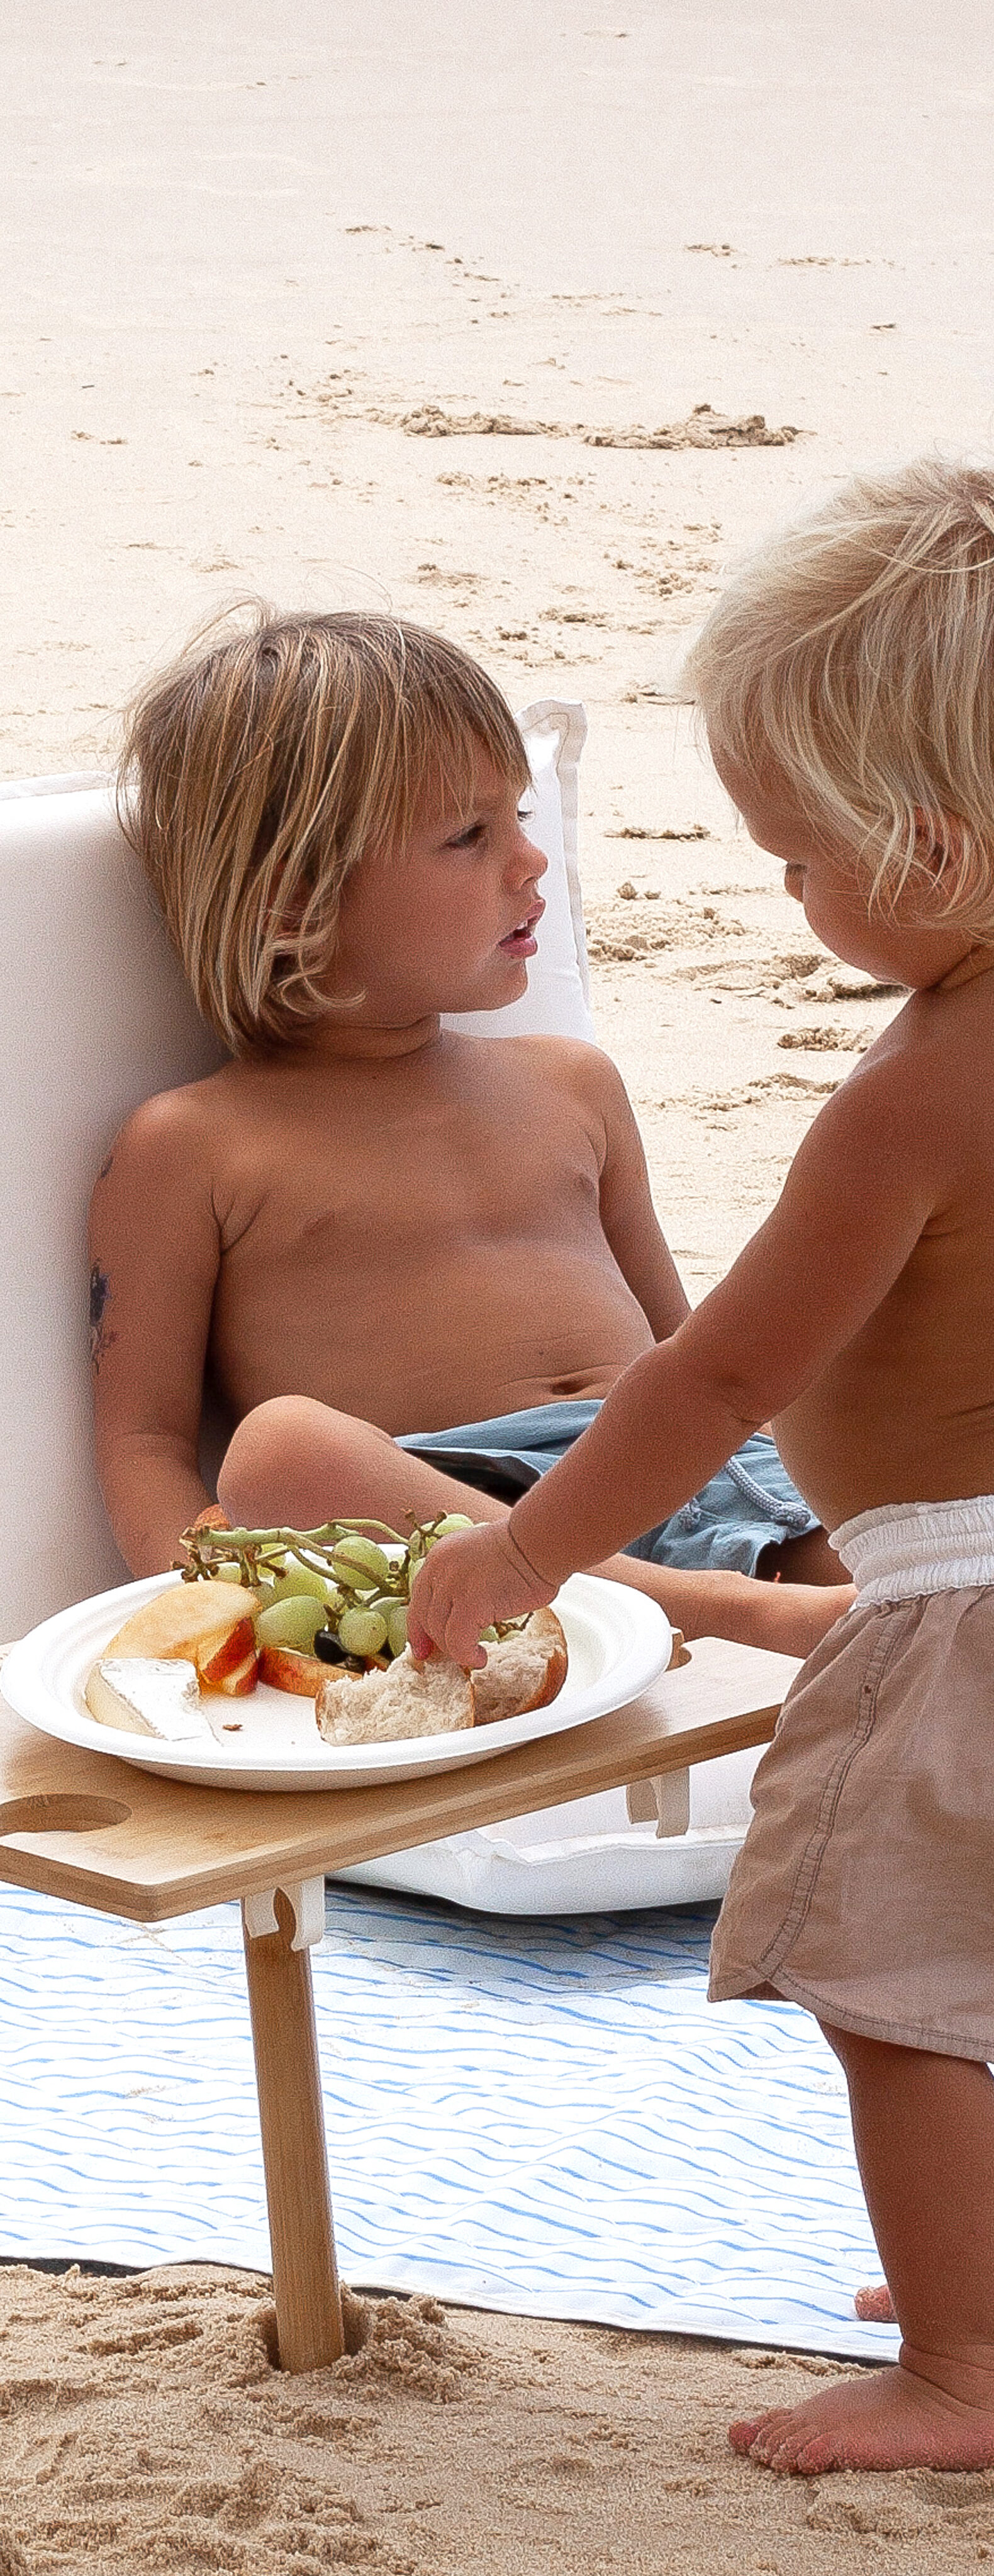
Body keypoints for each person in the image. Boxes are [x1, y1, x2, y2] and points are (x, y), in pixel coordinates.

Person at [406, 460, 994, 2476]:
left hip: (952, 1609)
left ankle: (960, 2366)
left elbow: (716, 1375)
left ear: (928, 839)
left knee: (901, 1989)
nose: (788, 902)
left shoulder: (920, 1087)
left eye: (798, 863)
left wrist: (527, 1558)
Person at [89, 608, 847, 1658]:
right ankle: (733, 1619)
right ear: (294, 900)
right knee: (280, 1452)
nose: (532, 863)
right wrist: (213, 1616)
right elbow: (143, 1440)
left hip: (674, 1463)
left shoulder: (572, 1085)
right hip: (454, 1515)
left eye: (522, 819)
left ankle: (828, 1607)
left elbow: (689, 1353)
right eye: (469, 836)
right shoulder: (196, 1143)